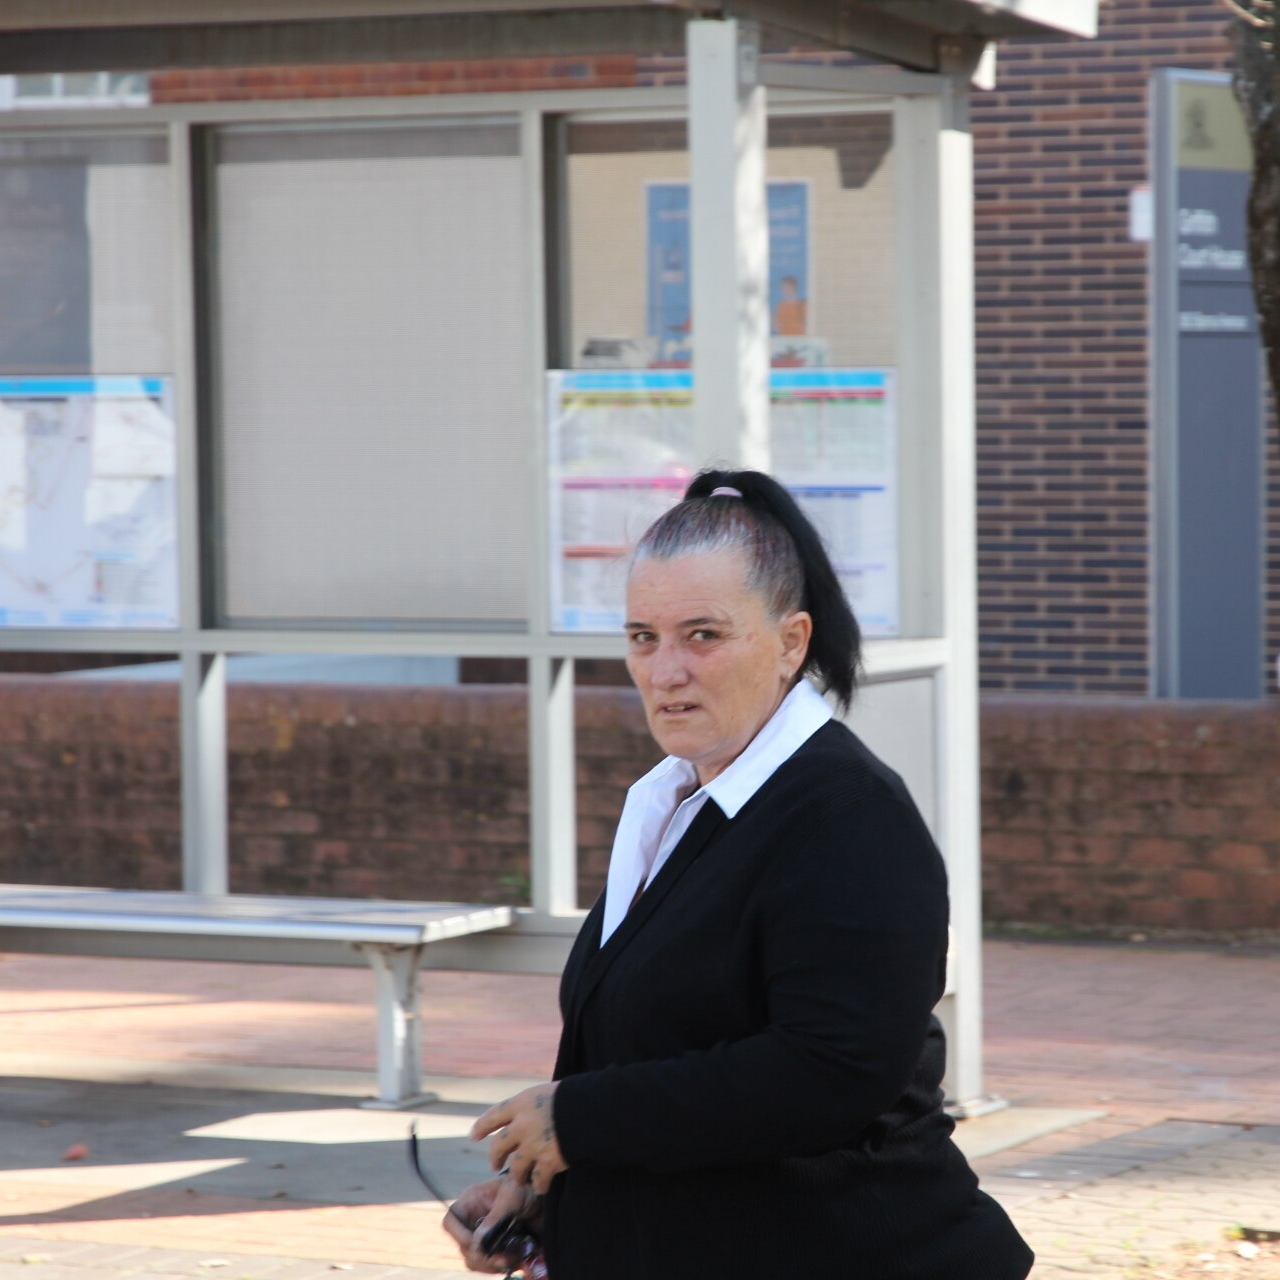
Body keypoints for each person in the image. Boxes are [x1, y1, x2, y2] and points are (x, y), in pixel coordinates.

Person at [441, 469, 1032, 1280]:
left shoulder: (850, 816)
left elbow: (831, 1072)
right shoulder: (672, 799)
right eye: (642, 637)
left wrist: (580, 1121)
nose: (665, 670)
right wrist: (553, 1191)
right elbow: (659, 1046)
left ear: (792, 642)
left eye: (703, 635)